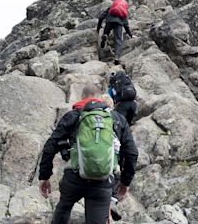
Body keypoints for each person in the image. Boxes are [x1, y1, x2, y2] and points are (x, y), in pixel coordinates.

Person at [39, 83, 139, 224]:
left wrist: (44, 177)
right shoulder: (116, 119)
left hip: (74, 178)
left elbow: (50, 146)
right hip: (103, 181)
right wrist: (125, 182)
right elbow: (132, 153)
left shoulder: (73, 116)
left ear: (82, 97)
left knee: (64, 207)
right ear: (101, 98)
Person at [97, 0, 133, 65]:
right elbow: (126, 25)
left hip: (109, 22)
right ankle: (117, 57)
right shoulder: (123, 11)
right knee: (118, 40)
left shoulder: (110, 9)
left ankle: (105, 35)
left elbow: (100, 17)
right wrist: (130, 34)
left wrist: (98, 28)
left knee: (106, 32)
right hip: (118, 24)